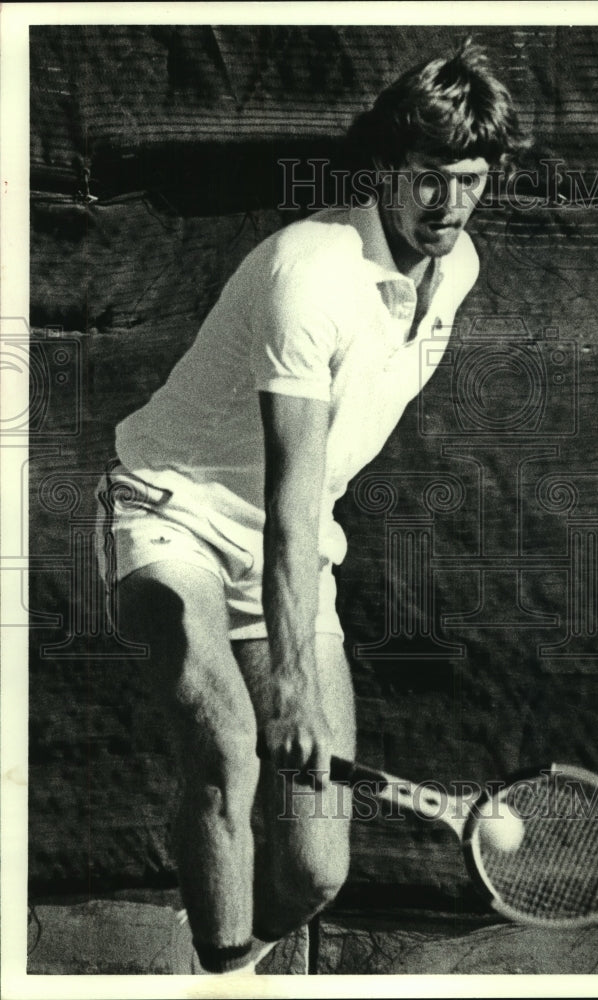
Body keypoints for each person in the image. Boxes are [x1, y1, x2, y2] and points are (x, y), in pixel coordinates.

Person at [96, 38, 519, 975]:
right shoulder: (308, 274)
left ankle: (222, 953)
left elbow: (304, 511)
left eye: (472, 180)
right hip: (172, 512)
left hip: (288, 547)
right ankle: (217, 967)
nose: (448, 205)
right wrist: (286, 684)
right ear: (385, 169)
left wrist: (294, 656)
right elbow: (293, 499)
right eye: (426, 178)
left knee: (318, 870)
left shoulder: (459, 268)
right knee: (229, 747)